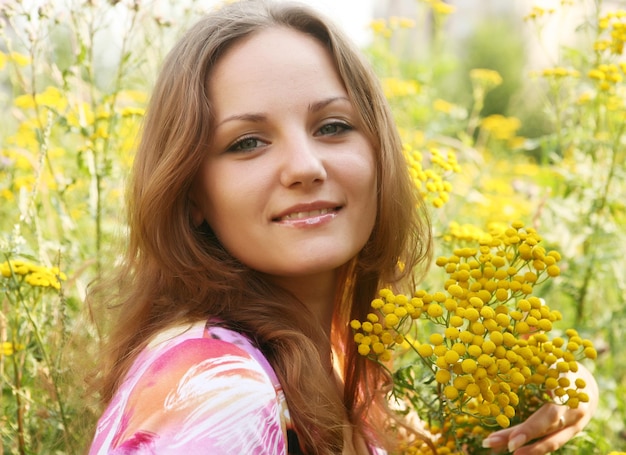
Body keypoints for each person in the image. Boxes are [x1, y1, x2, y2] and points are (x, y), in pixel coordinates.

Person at [87, 1, 598, 454]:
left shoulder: (330, 356)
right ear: (192, 193)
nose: (305, 166)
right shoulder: (223, 394)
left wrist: (547, 386)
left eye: (332, 126)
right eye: (247, 142)